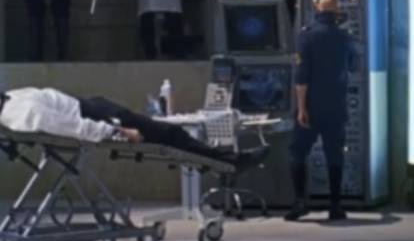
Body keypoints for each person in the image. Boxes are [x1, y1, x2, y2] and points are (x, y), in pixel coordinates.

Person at [0, 88, 269, 167]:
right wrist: (117, 132)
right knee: (170, 133)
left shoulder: (13, 99)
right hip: (99, 118)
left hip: (93, 106)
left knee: (166, 129)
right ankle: (232, 161)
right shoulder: (23, 113)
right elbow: (73, 127)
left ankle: (230, 159)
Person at [284, 0, 358, 222]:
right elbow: (354, 65)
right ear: (337, 11)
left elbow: (301, 76)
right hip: (336, 106)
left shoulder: (307, 36)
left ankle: (300, 202)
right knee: (335, 155)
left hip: (311, 105)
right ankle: (335, 206)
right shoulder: (344, 36)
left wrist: (301, 108)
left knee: (298, 152)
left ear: (317, 8)